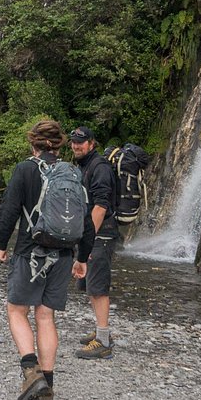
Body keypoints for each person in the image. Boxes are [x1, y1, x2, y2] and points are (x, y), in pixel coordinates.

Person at [0, 119, 93, 400]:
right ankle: (47, 388)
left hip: (30, 253)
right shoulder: (73, 173)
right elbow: (85, 221)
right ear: (60, 145)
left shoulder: (25, 169)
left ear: (33, 143)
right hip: (63, 255)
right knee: (46, 317)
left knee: (16, 310)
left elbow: (10, 210)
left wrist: (1, 244)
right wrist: (82, 258)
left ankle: (31, 371)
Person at [68, 125, 119, 360]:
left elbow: (101, 206)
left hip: (102, 233)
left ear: (91, 143)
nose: (76, 146)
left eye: (81, 142)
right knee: (90, 284)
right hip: (91, 232)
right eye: (73, 142)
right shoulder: (85, 165)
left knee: (98, 287)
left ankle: (104, 341)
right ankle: (101, 329)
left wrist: (87, 242)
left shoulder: (99, 167)